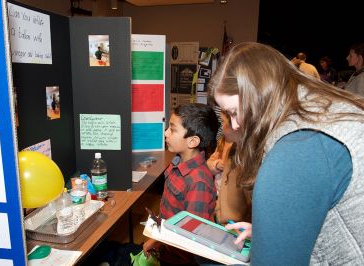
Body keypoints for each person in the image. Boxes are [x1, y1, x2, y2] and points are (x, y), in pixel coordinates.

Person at [209, 42, 364, 265]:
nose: (233, 125)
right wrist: (274, 237)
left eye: (234, 112)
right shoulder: (324, 109)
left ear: (260, 95)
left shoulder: (295, 152)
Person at [143, 103, 219, 265]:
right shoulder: (177, 162)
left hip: (179, 259)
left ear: (192, 141)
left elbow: (191, 234)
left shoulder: (199, 182)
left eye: (173, 129)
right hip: (165, 249)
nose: (166, 133)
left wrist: (157, 241)